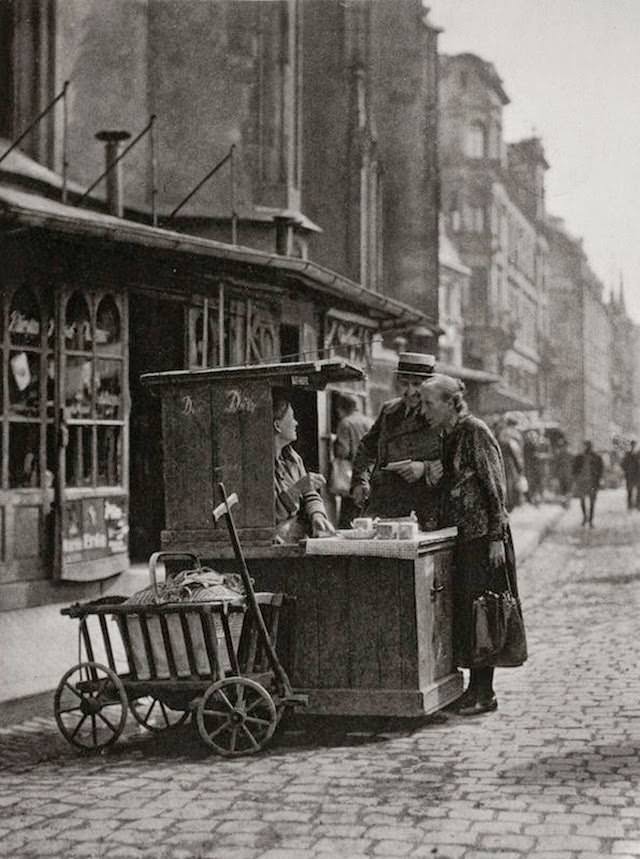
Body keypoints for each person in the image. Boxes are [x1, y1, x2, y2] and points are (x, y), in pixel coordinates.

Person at [420, 373, 526, 716]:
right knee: (469, 612)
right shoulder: (448, 434)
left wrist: (496, 537)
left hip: (484, 538)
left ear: (451, 403)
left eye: (428, 403)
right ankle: (474, 689)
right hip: (464, 537)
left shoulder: (474, 431)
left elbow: (495, 487)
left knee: (485, 611)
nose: (423, 411)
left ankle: (485, 692)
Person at [350, 352, 443, 529]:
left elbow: (457, 460)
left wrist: (425, 468)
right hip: (383, 503)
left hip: (423, 509)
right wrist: (360, 480)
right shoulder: (389, 411)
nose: (410, 392)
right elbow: (367, 447)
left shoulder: (440, 416)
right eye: (404, 383)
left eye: (417, 384)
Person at [273, 393, 335, 542]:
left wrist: (317, 515)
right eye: (292, 417)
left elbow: (310, 495)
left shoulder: (293, 459)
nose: (296, 423)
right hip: (278, 541)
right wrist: (296, 489)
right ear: (277, 425)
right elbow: (270, 515)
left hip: (297, 536)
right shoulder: (259, 465)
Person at [332, 393, 373, 529]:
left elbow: (343, 451)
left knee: (348, 519)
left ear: (340, 408)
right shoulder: (370, 422)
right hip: (370, 474)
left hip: (352, 477)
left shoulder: (345, 423)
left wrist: (333, 445)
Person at [571, 441, 604, 528]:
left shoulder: (596, 458)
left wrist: (598, 479)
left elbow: (600, 470)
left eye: (588, 446)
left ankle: (590, 520)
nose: (587, 448)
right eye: (586, 446)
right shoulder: (579, 458)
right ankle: (585, 517)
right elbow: (574, 469)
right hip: (582, 482)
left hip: (592, 482)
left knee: (592, 502)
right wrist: (576, 478)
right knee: (583, 501)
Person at [497, 416, 525, 512]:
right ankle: (512, 502)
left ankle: (507, 502)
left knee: (505, 481)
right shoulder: (515, 434)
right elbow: (517, 450)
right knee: (512, 481)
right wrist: (520, 464)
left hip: (502, 460)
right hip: (511, 460)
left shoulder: (502, 433)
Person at [620, 440, 639, 511]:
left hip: (638, 475)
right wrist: (626, 470)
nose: (633, 446)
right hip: (630, 475)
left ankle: (637, 505)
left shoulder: (638, 454)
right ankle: (630, 505)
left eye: (634, 445)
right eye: (632, 445)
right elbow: (622, 464)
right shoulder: (627, 454)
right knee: (629, 491)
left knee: (639, 491)